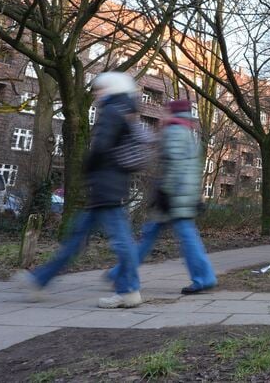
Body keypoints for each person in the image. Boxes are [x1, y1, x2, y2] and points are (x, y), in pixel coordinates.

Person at [16, 71, 142, 309]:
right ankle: (39, 280)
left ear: (112, 89)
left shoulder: (112, 112)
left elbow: (101, 147)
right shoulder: (126, 113)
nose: (97, 94)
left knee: (121, 242)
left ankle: (128, 290)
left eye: (101, 89)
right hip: (111, 186)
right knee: (77, 240)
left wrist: (87, 167)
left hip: (106, 186)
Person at [107, 98, 217, 294]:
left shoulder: (173, 133)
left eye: (165, 112)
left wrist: (165, 192)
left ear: (173, 114)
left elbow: (174, 165)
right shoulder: (189, 134)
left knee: (154, 237)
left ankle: (203, 277)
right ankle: (120, 273)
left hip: (172, 197)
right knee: (175, 236)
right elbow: (191, 168)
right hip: (183, 196)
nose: (162, 115)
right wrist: (196, 196)